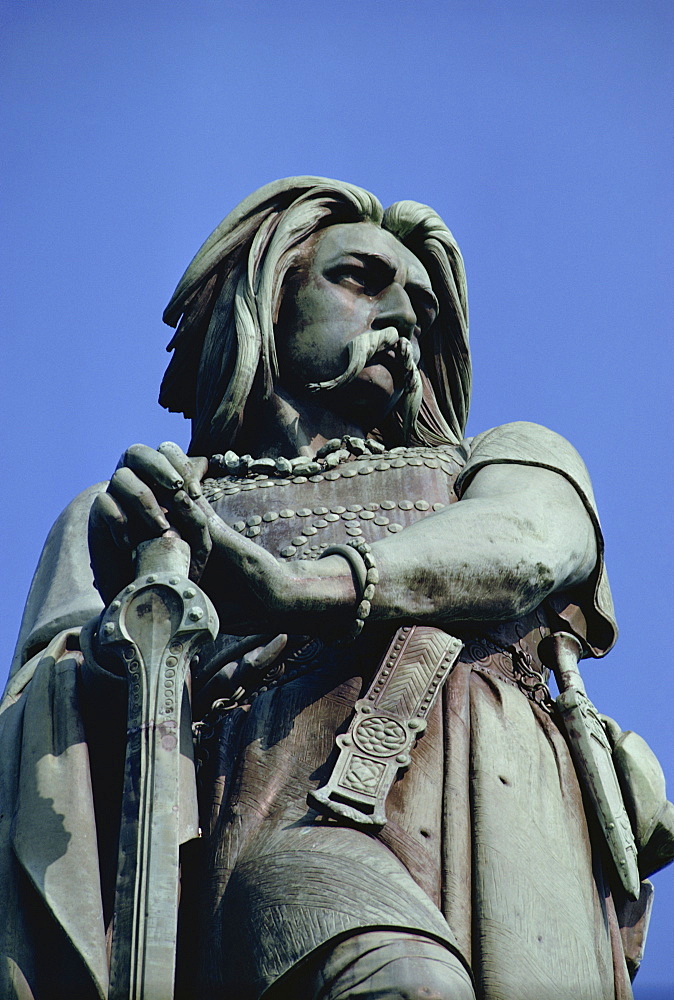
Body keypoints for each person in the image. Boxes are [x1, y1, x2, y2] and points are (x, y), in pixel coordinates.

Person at [2, 177, 672, 1000]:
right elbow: (41, 748)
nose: (399, 319)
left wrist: (289, 586)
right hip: (281, 834)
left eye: (420, 311)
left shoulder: (494, 463)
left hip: (514, 840)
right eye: (358, 279)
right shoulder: (143, 510)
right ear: (267, 300)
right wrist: (125, 639)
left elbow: (532, 546)